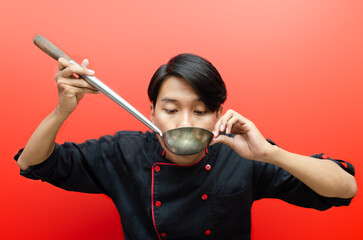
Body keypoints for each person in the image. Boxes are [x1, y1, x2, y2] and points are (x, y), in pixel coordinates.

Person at [15, 53, 357, 240]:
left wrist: (270, 154)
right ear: (150, 111)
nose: (185, 123)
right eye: (170, 109)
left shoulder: (242, 153)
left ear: (219, 114)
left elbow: (345, 189)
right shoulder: (123, 152)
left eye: (201, 110)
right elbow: (33, 164)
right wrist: (62, 110)